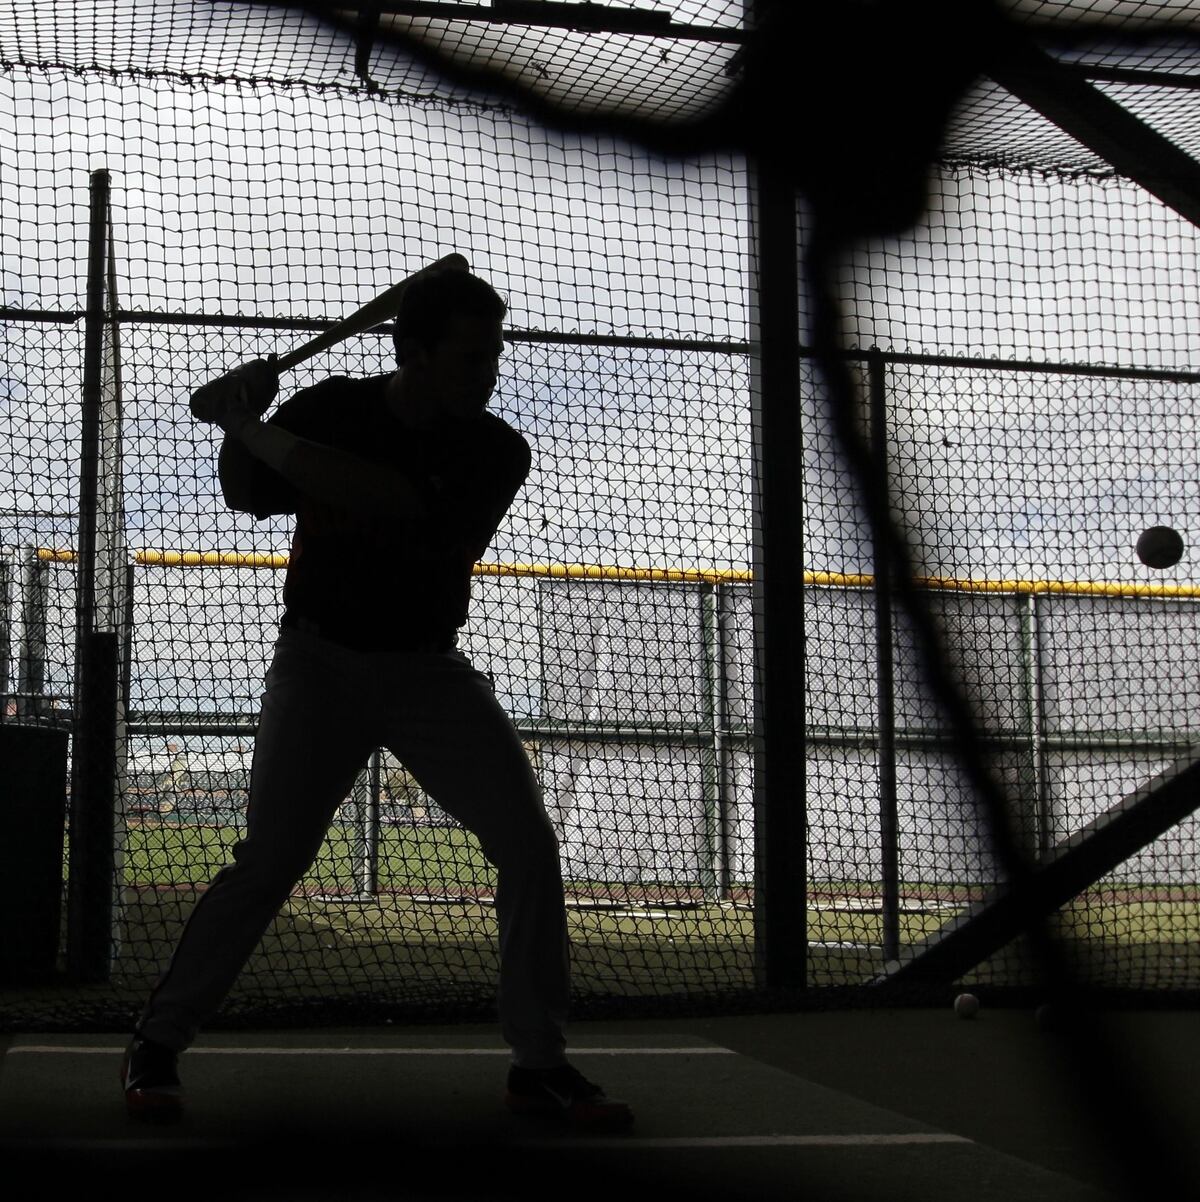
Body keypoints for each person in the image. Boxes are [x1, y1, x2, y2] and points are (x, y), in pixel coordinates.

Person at [120, 260, 632, 1130]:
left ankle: (537, 1063)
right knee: (271, 861)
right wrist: (236, 431)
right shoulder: (330, 407)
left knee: (527, 843)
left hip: (427, 673)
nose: (489, 373)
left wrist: (249, 420)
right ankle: (157, 1042)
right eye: (470, 359)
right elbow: (248, 494)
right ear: (416, 355)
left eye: (491, 356)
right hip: (318, 663)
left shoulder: (494, 450)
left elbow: (376, 494)